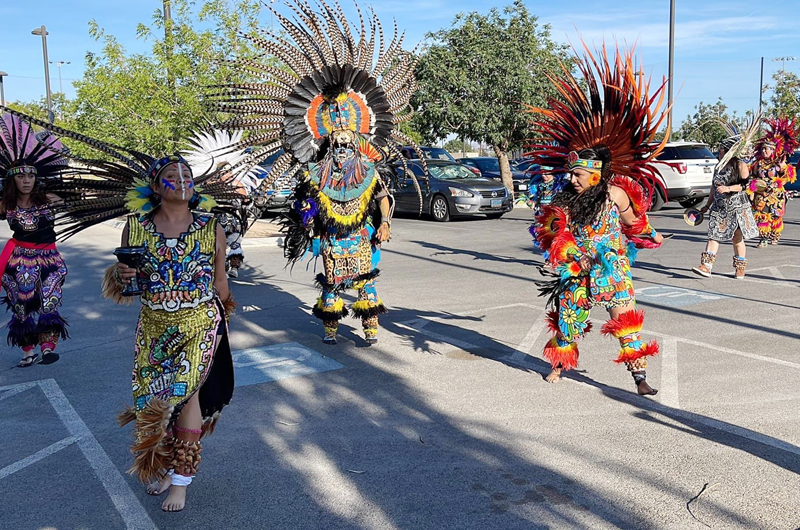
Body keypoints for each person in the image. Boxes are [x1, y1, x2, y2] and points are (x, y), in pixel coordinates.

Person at [2, 108, 239, 513]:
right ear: (155, 186)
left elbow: (220, 280)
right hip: (154, 324)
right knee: (157, 401)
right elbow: (130, 285)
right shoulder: (137, 227)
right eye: (172, 176)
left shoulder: (210, 225)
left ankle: (182, 480)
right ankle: (166, 467)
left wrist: (224, 320)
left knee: (188, 394)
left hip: (201, 322)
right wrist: (123, 274)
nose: (181, 182)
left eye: (187, 176)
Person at [211, 0, 424, 345]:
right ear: (327, 143)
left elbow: (383, 197)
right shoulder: (314, 174)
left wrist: (385, 223)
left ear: (356, 142)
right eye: (336, 143)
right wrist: (306, 221)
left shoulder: (368, 169)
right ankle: (332, 329)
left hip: (361, 237)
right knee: (333, 283)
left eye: (347, 143)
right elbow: (301, 205)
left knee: (367, 282)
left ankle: (370, 328)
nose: (341, 148)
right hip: (330, 240)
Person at [527, 45, 668, 396]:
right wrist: (569, 254)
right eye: (570, 173)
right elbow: (551, 236)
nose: (571, 179)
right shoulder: (565, 200)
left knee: (626, 323)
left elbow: (636, 223)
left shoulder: (616, 193)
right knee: (568, 321)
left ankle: (640, 378)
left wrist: (652, 235)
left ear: (595, 175)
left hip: (613, 268)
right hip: (578, 269)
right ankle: (558, 367)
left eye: (577, 174)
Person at [0, 113, 69, 367]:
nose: (27, 181)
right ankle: (27, 351)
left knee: (50, 300)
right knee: (21, 307)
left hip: (49, 259)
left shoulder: (48, 198)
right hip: (17, 261)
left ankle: (48, 348)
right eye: (21, 177)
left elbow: (78, 201)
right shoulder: (5, 204)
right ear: (12, 179)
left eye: (30, 176)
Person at [692, 132, 759, 279]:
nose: (719, 151)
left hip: (737, 208)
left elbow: (745, 185)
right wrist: (707, 205)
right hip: (719, 208)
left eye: (721, 148)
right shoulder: (718, 166)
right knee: (714, 235)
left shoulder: (741, 165)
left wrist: (728, 188)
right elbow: (713, 187)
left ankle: (740, 268)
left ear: (728, 151)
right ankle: (706, 266)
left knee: (737, 238)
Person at [748, 118, 798, 247]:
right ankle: (763, 238)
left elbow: (789, 177)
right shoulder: (757, 164)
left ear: (773, 150)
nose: (765, 151)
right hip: (761, 195)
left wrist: (782, 173)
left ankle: (774, 236)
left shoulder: (778, 164)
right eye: (763, 149)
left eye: (768, 149)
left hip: (776, 195)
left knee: (776, 216)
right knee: (762, 216)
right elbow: (751, 176)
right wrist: (753, 186)